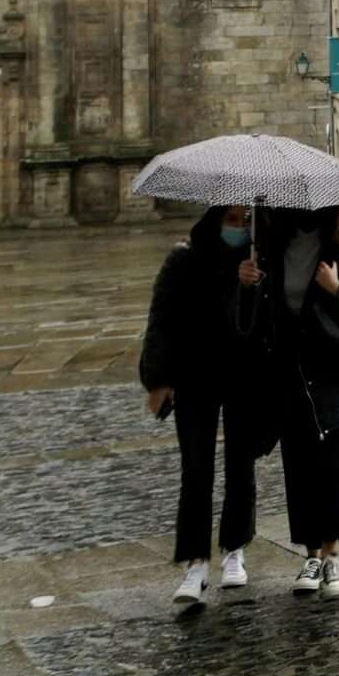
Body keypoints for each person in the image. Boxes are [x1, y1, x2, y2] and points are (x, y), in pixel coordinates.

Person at [137, 204, 272, 607]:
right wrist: (157, 379)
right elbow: (162, 317)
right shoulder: (185, 257)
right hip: (195, 375)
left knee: (239, 464)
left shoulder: (259, 257)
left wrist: (252, 287)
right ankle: (195, 562)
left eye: (245, 220)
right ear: (215, 219)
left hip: (243, 373)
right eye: (232, 221)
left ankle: (235, 549)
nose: (239, 227)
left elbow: (267, 321)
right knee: (195, 468)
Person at [261, 204, 339, 599]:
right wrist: (249, 283)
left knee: (330, 466)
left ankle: (334, 555)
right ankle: (311, 555)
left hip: (334, 372)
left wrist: (337, 288)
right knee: (298, 465)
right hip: (289, 372)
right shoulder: (273, 247)